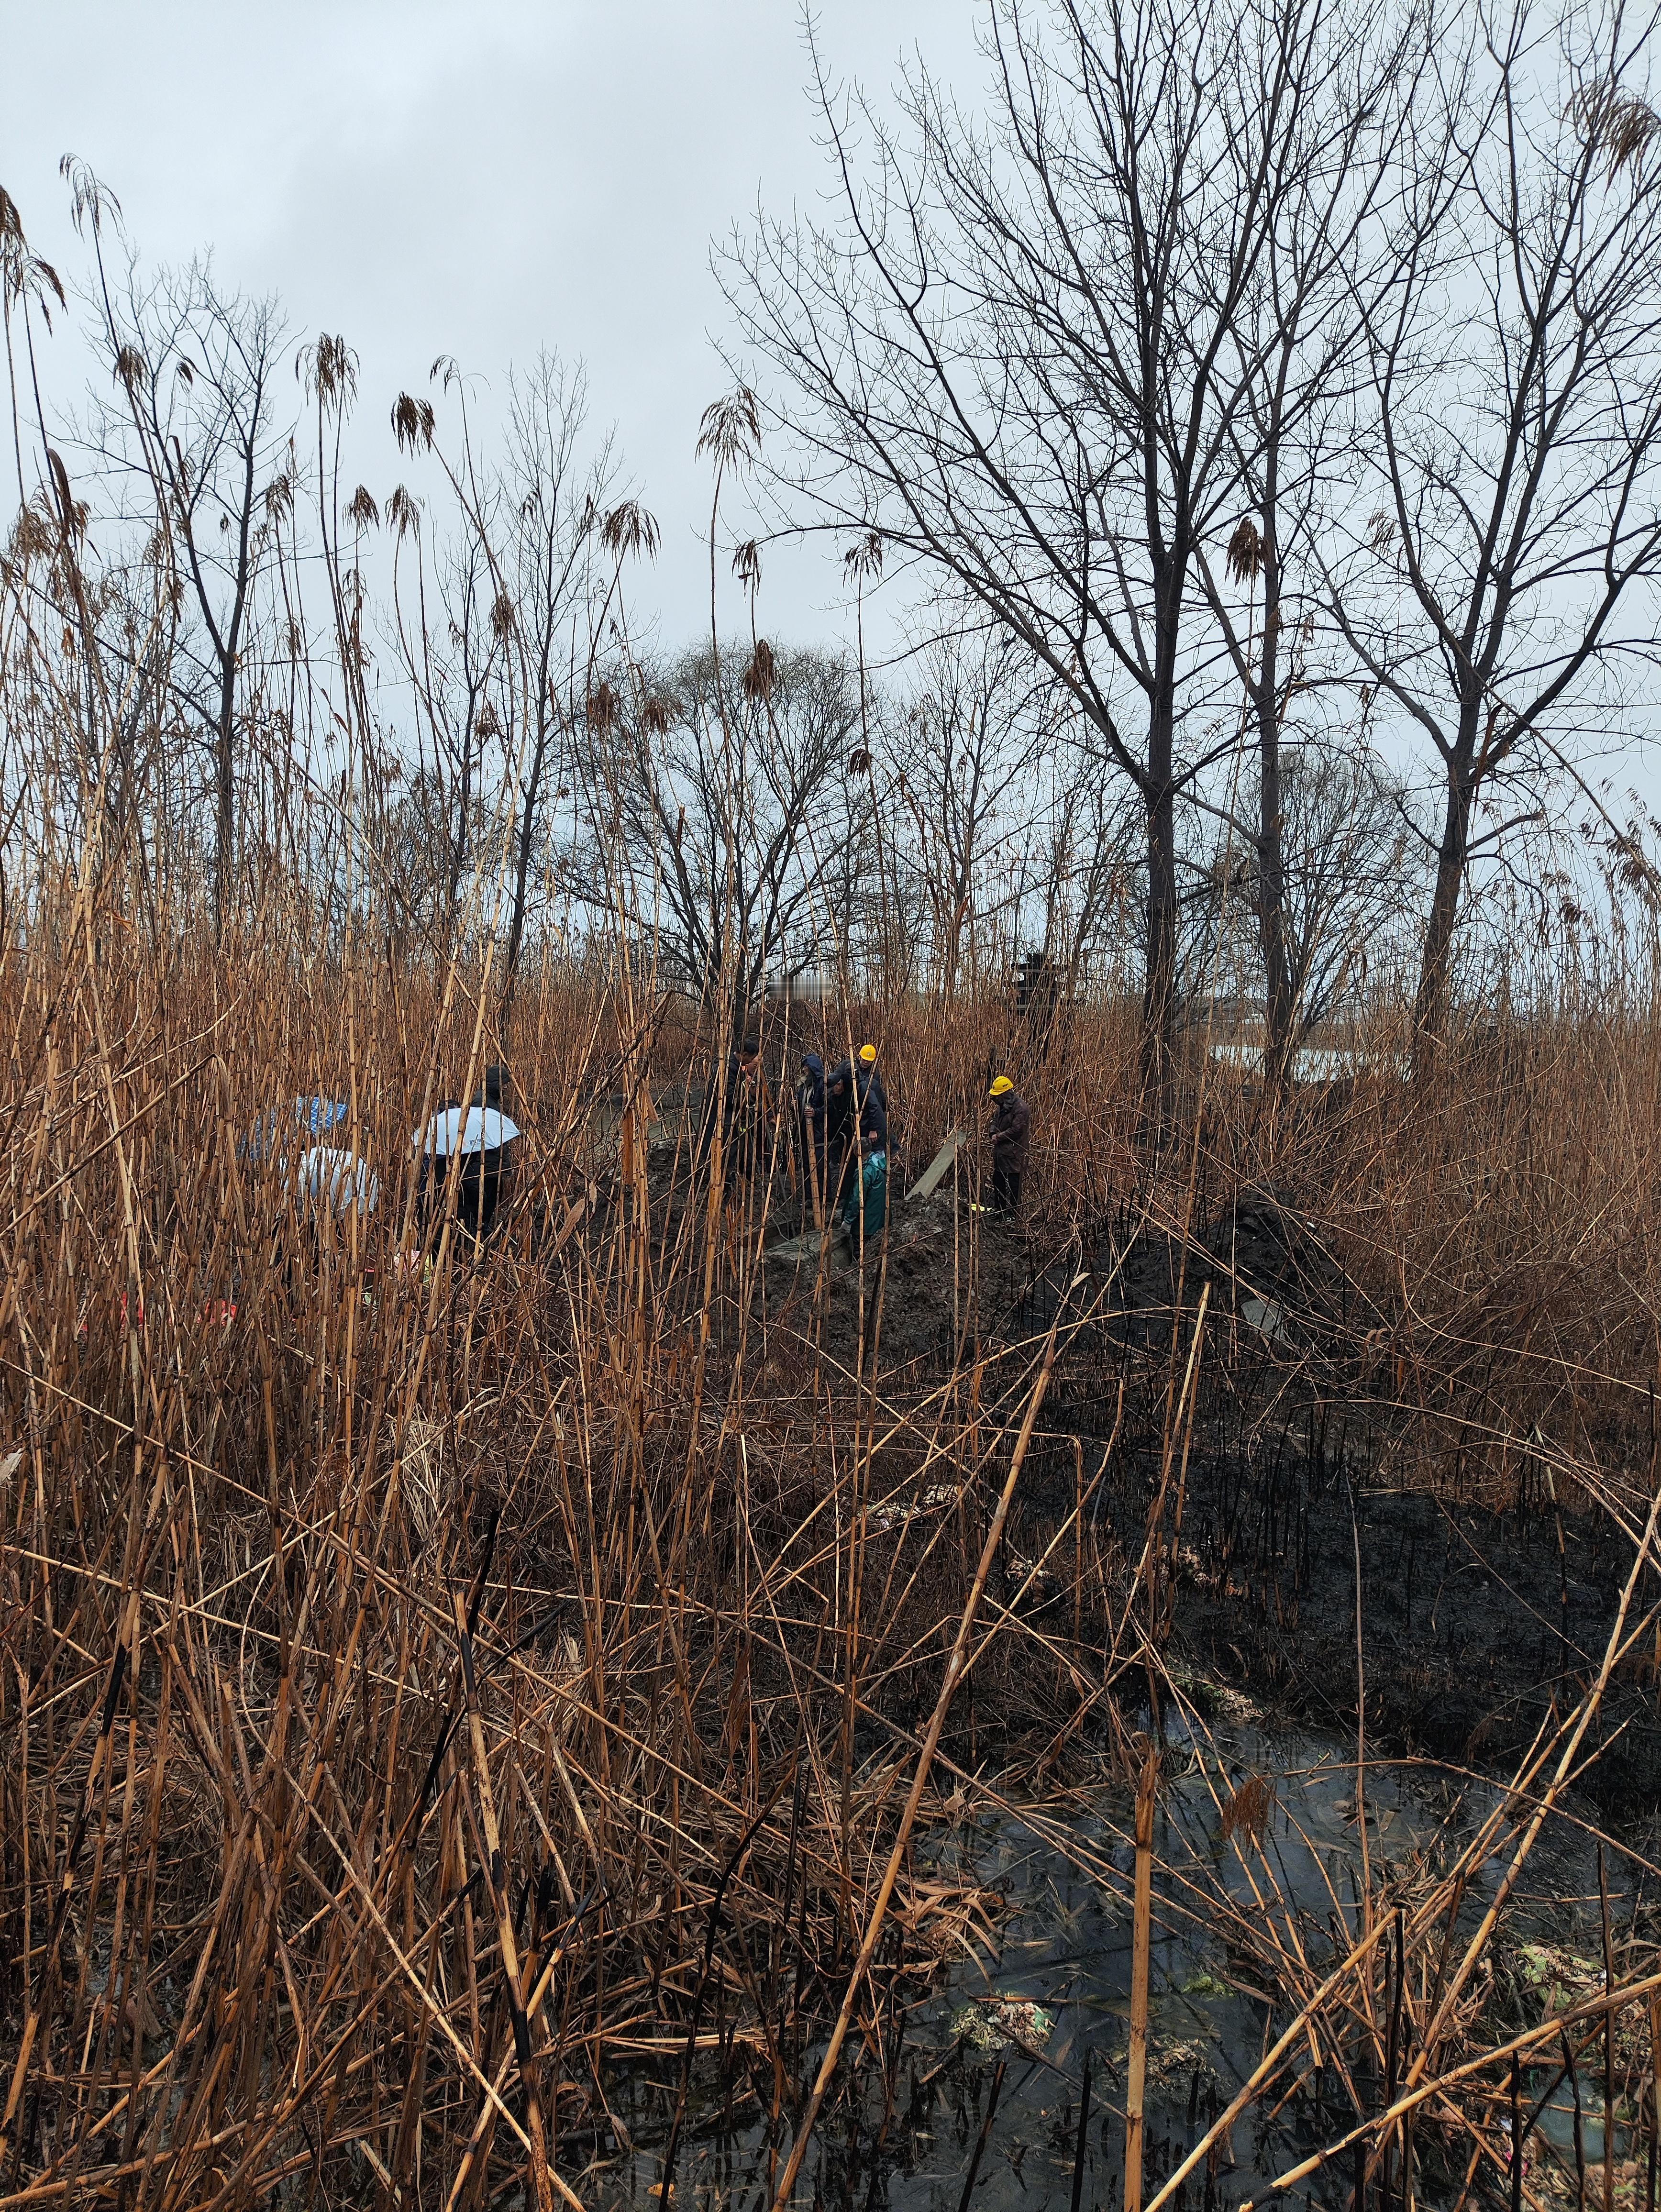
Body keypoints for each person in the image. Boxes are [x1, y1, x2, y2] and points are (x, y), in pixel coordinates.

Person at [415, 1063, 521, 1247]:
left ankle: (476, 1228)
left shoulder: (491, 1102)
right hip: (482, 1164)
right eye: (504, 1084)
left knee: (489, 1196)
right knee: (481, 1199)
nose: (506, 1088)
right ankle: (474, 1230)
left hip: (487, 1164)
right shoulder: (481, 1104)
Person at [841, 1104, 887, 1259]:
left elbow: (857, 1199)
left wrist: (848, 1221)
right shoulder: (880, 1164)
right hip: (878, 1221)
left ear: (856, 1152)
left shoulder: (865, 1173)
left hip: (866, 1224)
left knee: (860, 1250)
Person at [986, 1075, 1030, 1214]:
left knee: (1013, 1185)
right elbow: (995, 1119)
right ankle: (998, 1210)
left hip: (1014, 1153)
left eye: (997, 1097)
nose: (995, 1100)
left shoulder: (1021, 1108)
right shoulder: (1002, 1106)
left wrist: (998, 1137)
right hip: (1001, 1152)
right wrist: (992, 1132)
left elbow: (1017, 1130)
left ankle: (1013, 1214)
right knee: (998, 1180)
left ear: (1005, 1094)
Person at [796, 1051, 827, 1221]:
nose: (805, 1071)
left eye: (807, 1068)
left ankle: (823, 1196)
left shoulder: (822, 1086)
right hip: (804, 1129)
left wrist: (816, 1113)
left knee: (820, 1164)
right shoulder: (804, 1086)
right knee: (807, 1163)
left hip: (818, 1131)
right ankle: (810, 1196)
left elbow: (828, 1109)